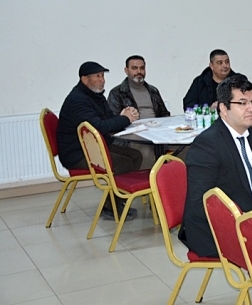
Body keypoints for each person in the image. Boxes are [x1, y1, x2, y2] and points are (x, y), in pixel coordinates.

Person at [179, 75, 252, 258]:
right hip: (221, 228)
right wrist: (250, 222)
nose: (251, 109)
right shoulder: (207, 145)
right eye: (242, 103)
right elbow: (201, 204)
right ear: (223, 108)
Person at [57, 61, 142, 220]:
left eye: (102, 76)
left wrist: (124, 115)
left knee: (135, 155)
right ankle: (110, 208)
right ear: (85, 79)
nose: (102, 80)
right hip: (77, 153)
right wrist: (125, 119)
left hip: (93, 146)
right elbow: (99, 127)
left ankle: (118, 200)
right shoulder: (78, 100)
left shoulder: (95, 95)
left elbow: (107, 120)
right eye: (97, 76)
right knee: (123, 163)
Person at [107, 55, 171, 168]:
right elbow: (112, 122)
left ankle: (175, 178)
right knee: (145, 152)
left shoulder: (153, 91)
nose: (139, 72)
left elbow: (164, 114)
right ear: (126, 70)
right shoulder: (117, 93)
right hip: (133, 138)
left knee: (186, 148)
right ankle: (148, 180)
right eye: (134, 68)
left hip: (157, 134)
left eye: (142, 68)